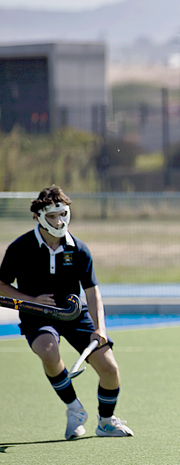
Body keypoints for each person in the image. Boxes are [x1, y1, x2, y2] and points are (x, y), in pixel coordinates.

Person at [0, 186, 132, 439]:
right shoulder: (20, 248)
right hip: (37, 314)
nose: (59, 221)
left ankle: (106, 422)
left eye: (62, 214)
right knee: (48, 351)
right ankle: (74, 409)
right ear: (38, 217)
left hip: (74, 313)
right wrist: (32, 300)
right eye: (52, 216)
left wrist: (100, 328)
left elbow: (92, 291)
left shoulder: (79, 249)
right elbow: (1, 285)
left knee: (110, 370)